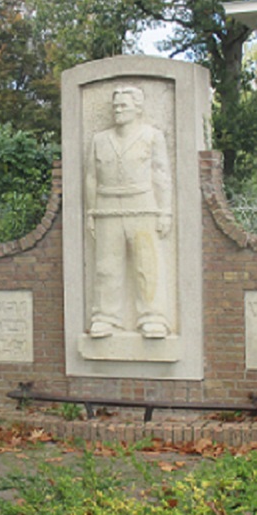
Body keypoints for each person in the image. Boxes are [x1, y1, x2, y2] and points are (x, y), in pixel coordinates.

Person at [85, 86, 172, 339]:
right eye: (115, 106)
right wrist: (91, 211)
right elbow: (91, 176)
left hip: (142, 205)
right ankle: (105, 317)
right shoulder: (100, 140)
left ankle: (153, 317)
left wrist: (165, 211)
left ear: (138, 108)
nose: (118, 110)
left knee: (147, 264)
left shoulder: (152, 136)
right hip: (107, 206)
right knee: (106, 266)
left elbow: (161, 174)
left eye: (123, 105)